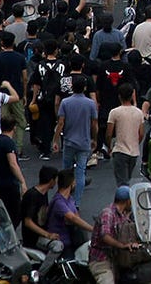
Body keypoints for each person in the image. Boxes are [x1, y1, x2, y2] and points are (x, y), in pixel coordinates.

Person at [53, 75, 98, 208]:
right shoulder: (90, 103)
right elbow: (94, 124)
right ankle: (76, 202)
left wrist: (56, 140)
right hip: (84, 142)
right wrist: (94, 138)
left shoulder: (65, 102)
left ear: (72, 87)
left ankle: (64, 197)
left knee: (66, 169)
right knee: (80, 171)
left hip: (69, 141)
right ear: (85, 88)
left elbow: (60, 123)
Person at [88, 186, 141, 284]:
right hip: (102, 260)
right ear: (127, 201)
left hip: (118, 258)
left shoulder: (124, 215)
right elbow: (105, 236)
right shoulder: (108, 213)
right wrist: (122, 245)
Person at [46, 169, 94, 256]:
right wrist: (92, 229)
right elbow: (73, 218)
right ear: (71, 183)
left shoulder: (70, 199)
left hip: (72, 239)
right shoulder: (58, 202)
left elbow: (76, 217)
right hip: (61, 241)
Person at [0, 118, 27, 225]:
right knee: (15, 214)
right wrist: (22, 181)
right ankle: (11, 237)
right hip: (10, 183)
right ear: (14, 127)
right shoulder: (9, 143)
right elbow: (13, 164)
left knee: (3, 211)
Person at [106, 84, 144, 188]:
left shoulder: (114, 112)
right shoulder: (139, 113)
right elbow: (141, 133)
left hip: (120, 151)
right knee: (127, 179)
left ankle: (124, 202)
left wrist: (109, 147)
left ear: (119, 96)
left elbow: (109, 134)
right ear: (132, 96)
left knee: (122, 183)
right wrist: (135, 143)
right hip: (134, 152)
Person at [21, 166, 60, 246]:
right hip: (33, 238)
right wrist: (47, 234)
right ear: (51, 180)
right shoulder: (33, 195)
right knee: (57, 246)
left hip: (41, 233)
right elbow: (28, 222)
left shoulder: (43, 193)